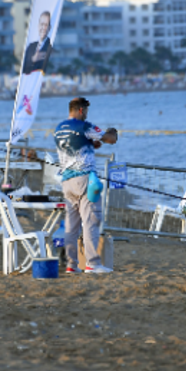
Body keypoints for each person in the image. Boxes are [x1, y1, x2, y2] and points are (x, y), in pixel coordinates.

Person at [54, 97, 118, 274]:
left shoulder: (58, 129)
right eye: (86, 111)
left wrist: (90, 143)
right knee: (90, 221)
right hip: (85, 180)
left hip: (67, 181)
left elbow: (74, 146)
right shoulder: (84, 126)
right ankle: (92, 263)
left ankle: (71, 265)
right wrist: (113, 131)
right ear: (81, 110)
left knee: (71, 226)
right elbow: (110, 139)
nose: (87, 114)